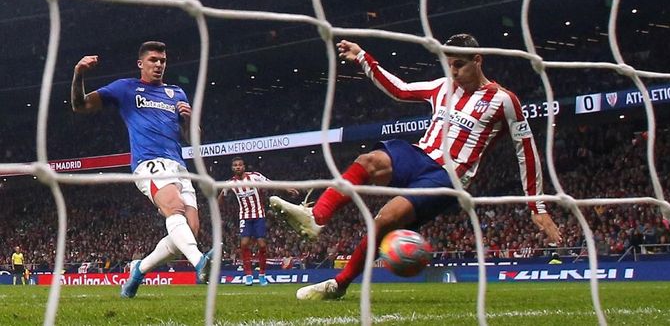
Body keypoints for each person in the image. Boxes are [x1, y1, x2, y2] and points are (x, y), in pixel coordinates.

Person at [271, 34, 562, 300]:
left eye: (459, 64)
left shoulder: (504, 100)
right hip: (420, 154)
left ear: (478, 60)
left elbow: (526, 151)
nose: (454, 72)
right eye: (449, 65)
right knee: (367, 161)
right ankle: (316, 217)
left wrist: (537, 207)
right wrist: (362, 57)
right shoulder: (442, 86)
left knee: (385, 219)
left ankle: (340, 284)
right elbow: (400, 90)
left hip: (447, 176)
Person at [71, 41, 213, 298]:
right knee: (174, 208)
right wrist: (79, 73)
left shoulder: (176, 93)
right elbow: (79, 106)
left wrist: (190, 120)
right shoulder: (125, 88)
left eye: (162, 61)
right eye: (153, 60)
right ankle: (201, 262)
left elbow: (193, 139)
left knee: (189, 231)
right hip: (149, 163)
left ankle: (138, 270)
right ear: (141, 64)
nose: (159, 64)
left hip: (179, 166)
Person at [217, 156, 298, 286]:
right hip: (244, 216)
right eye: (235, 165)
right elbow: (222, 195)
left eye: (240, 165)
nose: (238, 167)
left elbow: (271, 184)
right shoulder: (230, 183)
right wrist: (218, 204)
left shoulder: (255, 177)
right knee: (244, 244)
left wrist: (287, 189)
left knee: (262, 245)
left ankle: (262, 275)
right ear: (232, 168)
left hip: (258, 215)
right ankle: (248, 275)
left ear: (244, 166)